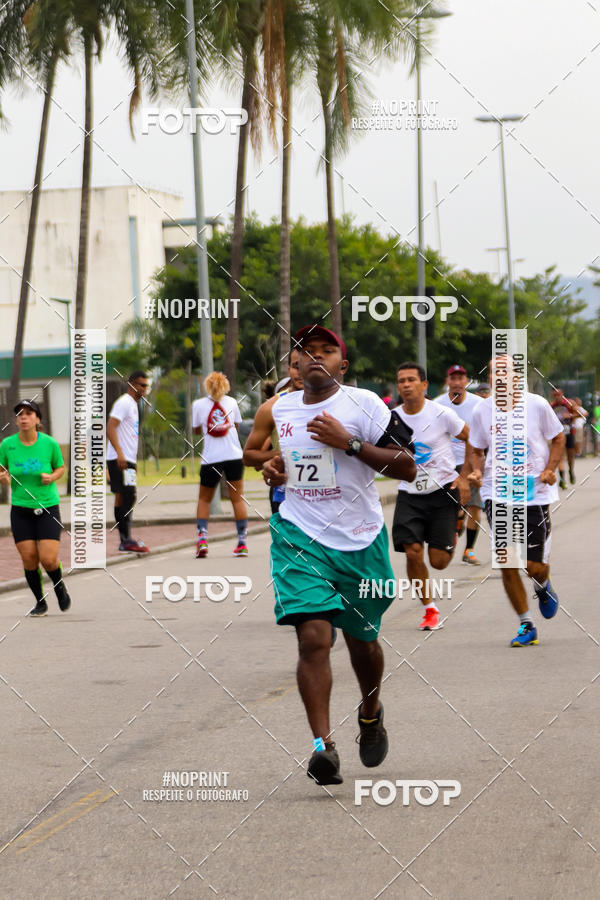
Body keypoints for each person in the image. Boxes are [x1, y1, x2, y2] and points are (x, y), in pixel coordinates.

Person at [263, 325, 416, 786]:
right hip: (298, 534)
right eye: (305, 351)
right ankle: (322, 747)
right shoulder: (282, 407)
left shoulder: (365, 404)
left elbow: (408, 464)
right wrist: (274, 467)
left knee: (362, 641)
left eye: (326, 351)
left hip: (359, 539)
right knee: (313, 637)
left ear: (341, 366)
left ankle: (370, 712)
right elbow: (281, 461)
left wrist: (348, 442)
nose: (315, 357)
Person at [468, 357, 565, 646]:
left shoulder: (536, 405)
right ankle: (526, 624)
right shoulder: (481, 410)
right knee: (506, 559)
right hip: (496, 492)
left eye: (504, 371)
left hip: (534, 493)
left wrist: (550, 469)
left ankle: (543, 585)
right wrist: (475, 469)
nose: (499, 376)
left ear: (516, 376)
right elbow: (475, 447)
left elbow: (558, 438)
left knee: (534, 568)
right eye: (494, 372)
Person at [392, 362, 470, 631]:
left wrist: (464, 475)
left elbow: (472, 438)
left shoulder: (442, 413)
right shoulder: (391, 418)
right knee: (413, 553)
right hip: (409, 493)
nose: (406, 384)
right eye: (401, 380)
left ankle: (455, 529)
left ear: (424, 385)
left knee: (438, 562)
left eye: (412, 379)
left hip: (443, 492)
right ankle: (429, 608)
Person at [0, 400, 71, 617]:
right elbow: (2, 469)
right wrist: (3, 477)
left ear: (37, 419)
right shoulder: (7, 445)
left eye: (29, 413)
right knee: (29, 557)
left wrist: (52, 476)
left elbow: (60, 467)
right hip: (20, 508)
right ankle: (40, 602)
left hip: (47, 506)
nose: (23, 417)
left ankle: (59, 587)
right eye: (20, 414)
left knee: (48, 559)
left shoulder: (49, 443)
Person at [192, 371, 248, 557]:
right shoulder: (232, 402)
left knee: (204, 499)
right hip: (233, 455)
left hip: (211, 458)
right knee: (237, 499)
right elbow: (237, 425)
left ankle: (202, 539)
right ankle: (242, 542)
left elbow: (196, 430)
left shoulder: (198, 405)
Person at [243, 349, 303, 514]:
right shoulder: (273, 406)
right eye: (296, 366)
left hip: (328, 496)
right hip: (285, 493)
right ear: (290, 368)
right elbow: (248, 457)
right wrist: (281, 455)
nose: (301, 372)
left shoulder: (336, 400)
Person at [435, 364, 483, 565]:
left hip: (472, 461)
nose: (456, 382)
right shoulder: (438, 405)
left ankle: (469, 549)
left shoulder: (478, 404)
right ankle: (456, 525)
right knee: (453, 507)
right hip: (445, 463)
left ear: (466, 382)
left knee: (474, 506)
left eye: (460, 378)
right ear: (448, 382)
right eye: (452, 378)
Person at [106, 371, 150, 553]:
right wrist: (120, 454)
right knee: (128, 495)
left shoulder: (133, 405)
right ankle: (126, 540)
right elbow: (110, 428)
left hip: (127, 460)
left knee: (123, 496)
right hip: (119, 459)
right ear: (132, 384)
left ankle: (125, 539)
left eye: (146, 386)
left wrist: (132, 462)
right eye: (142, 385)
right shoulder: (124, 402)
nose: (144, 389)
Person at [550, 387, 576, 487]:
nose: (557, 397)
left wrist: (569, 416)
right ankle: (562, 479)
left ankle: (571, 471)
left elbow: (582, 414)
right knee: (560, 456)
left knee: (570, 457)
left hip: (569, 433)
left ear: (562, 394)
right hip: (558, 434)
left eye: (558, 395)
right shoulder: (551, 406)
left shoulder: (569, 403)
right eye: (555, 395)